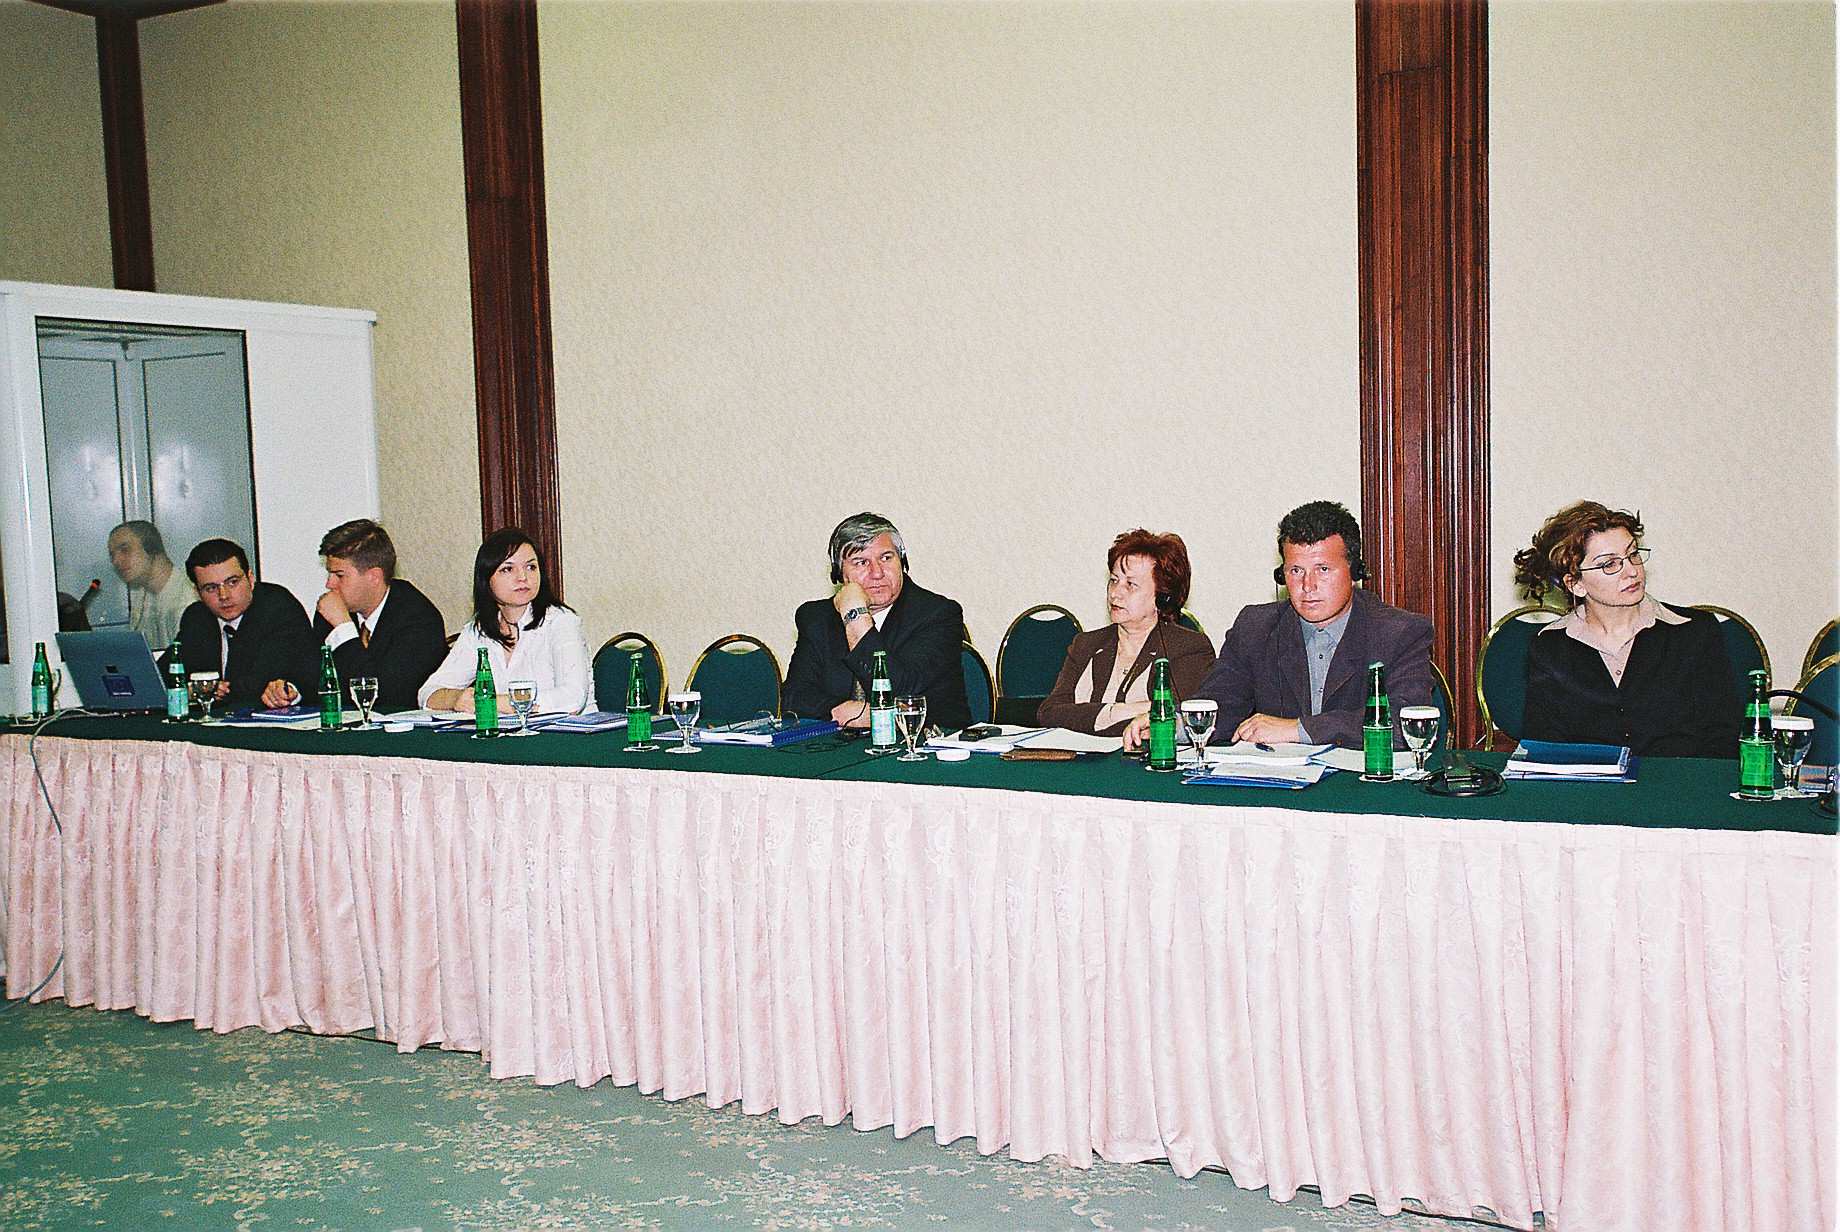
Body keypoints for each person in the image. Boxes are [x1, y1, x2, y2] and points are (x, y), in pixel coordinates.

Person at [1131, 500, 1432, 750]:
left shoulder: (1399, 633)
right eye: (1296, 571)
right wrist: (1174, 724)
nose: (1308, 586)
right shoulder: (1255, 628)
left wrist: (1298, 729)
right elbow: (1223, 700)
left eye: (1323, 569)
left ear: (1355, 572)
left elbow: (1404, 722)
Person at [1513, 500, 1737, 756]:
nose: (1632, 571)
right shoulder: (1549, 647)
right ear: (1576, 584)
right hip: (1589, 782)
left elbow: (1723, 738)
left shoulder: (1695, 631)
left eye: (1633, 555)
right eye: (1609, 564)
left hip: (1682, 779)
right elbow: (1545, 746)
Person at [782, 512, 971, 733]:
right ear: (839, 573)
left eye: (886, 558)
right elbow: (794, 699)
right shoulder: (815, 618)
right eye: (861, 562)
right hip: (838, 747)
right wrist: (850, 714)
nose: (877, 573)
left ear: (902, 562)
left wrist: (856, 616)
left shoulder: (938, 614)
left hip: (923, 746)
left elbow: (899, 690)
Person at [256, 519, 447, 712]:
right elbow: (315, 675)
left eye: (339, 575)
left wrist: (343, 629)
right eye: (329, 574)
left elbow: (385, 695)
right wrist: (292, 691)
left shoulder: (419, 619)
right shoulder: (330, 612)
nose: (329, 584)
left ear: (374, 576)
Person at [1037, 530, 1214, 735]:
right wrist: (1121, 711)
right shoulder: (1086, 644)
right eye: (1114, 580)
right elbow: (1049, 713)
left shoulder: (1188, 648)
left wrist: (1086, 717)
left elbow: (1177, 718)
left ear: (1162, 596)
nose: (1115, 593)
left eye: (1130, 584)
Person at [418, 528, 590, 715]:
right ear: (486, 579)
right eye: (508, 569)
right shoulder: (479, 630)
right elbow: (428, 693)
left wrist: (489, 702)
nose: (523, 577)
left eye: (531, 567)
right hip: (510, 732)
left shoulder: (562, 622)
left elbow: (573, 698)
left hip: (570, 732)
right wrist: (456, 699)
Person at [176, 538, 316, 708]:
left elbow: (260, 682)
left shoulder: (277, 607)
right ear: (198, 592)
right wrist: (187, 690)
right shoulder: (196, 618)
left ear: (250, 579)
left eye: (232, 582)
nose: (224, 595)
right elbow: (166, 677)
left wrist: (210, 691)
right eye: (211, 588)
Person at [108, 520, 194, 649]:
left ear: (151, 548)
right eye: (112, 555)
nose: (116, 561)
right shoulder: (142, 596)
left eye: (125, 550)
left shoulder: (187, 600)